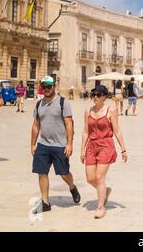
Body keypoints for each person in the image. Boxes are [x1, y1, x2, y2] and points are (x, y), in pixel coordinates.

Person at [30, 76, 81, 214]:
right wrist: (33, 144)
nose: (46, 89)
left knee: (64, 173)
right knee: (42, 173)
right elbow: (36, 125)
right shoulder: (38, 104)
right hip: (43, 144)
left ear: (54, 86)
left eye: (49, 86)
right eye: (43, 87)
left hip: (60, 145)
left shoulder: (63, 102)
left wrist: (69, 144)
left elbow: (69, 124)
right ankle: (45, 202)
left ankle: (72, 186)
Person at [80, 85, 128, 219]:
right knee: (90, 178)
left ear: (104, 97)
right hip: (91, 145)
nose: (95, 97)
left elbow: (117, 130)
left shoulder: (110, 111)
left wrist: (123, 149)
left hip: (106, 145)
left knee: (99, 178)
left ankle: (100, 207)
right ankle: (105, 191)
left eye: (98, 94)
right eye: (93, 94)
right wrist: (82, 149)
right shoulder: (87, 111)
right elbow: (85, 132)